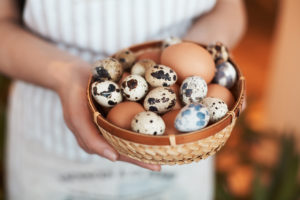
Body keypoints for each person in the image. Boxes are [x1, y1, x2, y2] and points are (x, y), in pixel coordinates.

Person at [0, 0, 246, 199]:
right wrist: (66, 77)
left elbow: (229, 7)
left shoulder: (177, 95)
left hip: (180, 148)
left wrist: (199, 56)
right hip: (52, 139)